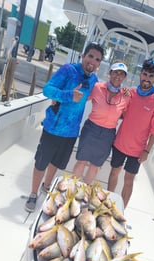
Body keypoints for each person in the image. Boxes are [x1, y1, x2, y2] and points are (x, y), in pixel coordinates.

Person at [25, 42, 104, 212]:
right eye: (90, 56)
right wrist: (67, 95)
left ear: (99, 64)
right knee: (41, 162)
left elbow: (96, 95)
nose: (93, 61)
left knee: (56, 162)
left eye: (97, 59)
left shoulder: (94, 80)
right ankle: (33, 194)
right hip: (53, 127)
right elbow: (47, 89)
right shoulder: (68, 70)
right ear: (83, 56)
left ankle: (46, 186)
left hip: (71, 132)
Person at [107, 59, 154, 208]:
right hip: (120, 142)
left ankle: (120, 211)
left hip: (138, 149)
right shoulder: (130, 93)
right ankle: (106, 203)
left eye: (151, 76)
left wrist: (147, 150)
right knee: (114, 172)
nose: (146, 78)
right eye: (145, 74)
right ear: (140, 74)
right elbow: (121, 113)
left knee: (129, 180)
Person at [72, 62, 130, 184]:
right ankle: (72, 188)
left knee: (95, 165)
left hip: (108, 134)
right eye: (115, 72)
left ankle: (84, 193)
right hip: (91, 128)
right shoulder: (97, 87)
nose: (117, 76)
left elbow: (125, 115)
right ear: (110, 73)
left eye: (121, 74)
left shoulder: (126, 96)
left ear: (124, 77)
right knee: (81, 160)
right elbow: (81, 98)